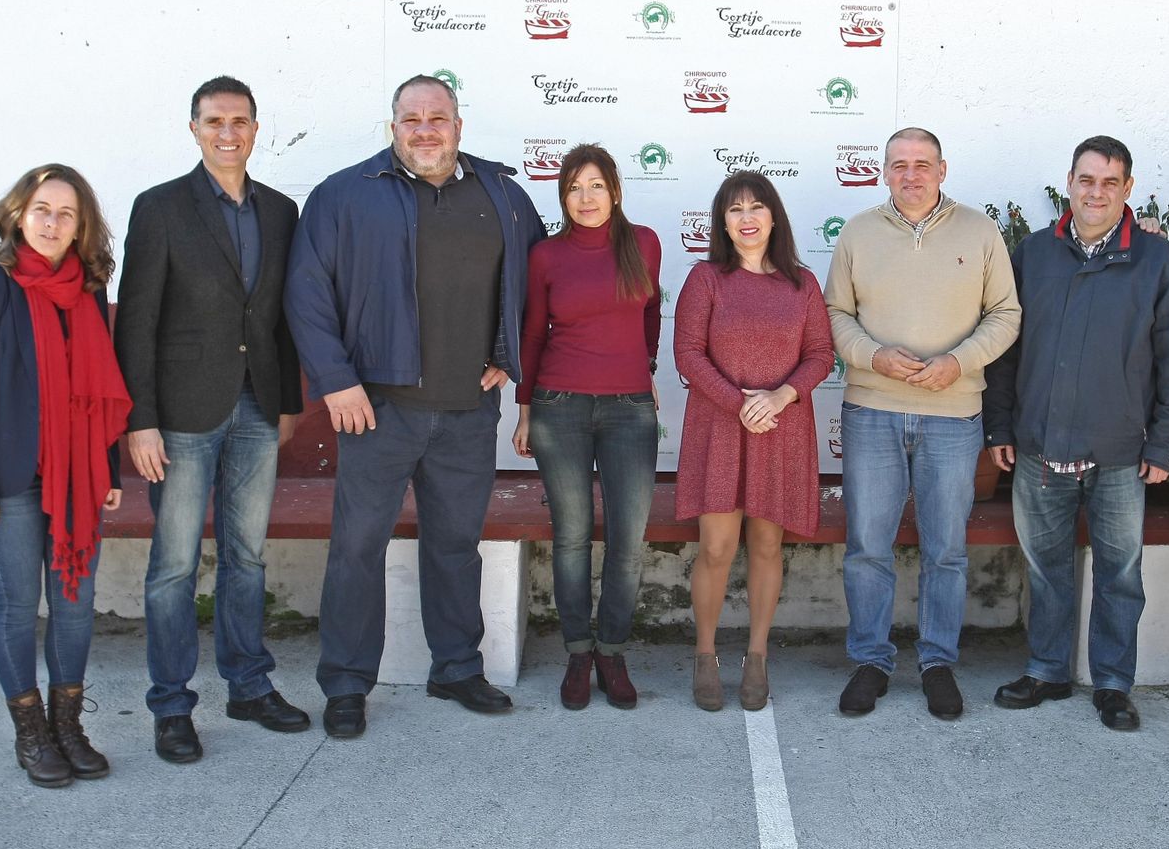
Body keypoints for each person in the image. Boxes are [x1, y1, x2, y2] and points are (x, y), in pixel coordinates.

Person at [286, 74, 546, 738]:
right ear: (391, 127)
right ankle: (345, 682)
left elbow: (537, 286)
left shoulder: (505, 197)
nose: (425, 130)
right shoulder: (345, 196)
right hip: (376, 408)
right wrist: (338, 381)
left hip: (467, 409)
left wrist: (506, 354)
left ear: (459, 125)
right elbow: (307, 292)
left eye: (438, 117)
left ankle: (456, 666)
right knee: (357, 548)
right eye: (411, 119)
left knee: (457, 546)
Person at [114, 76, 309, 764]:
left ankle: (249, 685)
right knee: (172, 566)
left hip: (258, 406)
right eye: (214, 120)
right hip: (179, 415)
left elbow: (282, 315)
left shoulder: (282, 211)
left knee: (246, 556)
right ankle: (172, 706)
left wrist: (287, 400)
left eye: (240, 120)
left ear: (258, 129)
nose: (228, 132)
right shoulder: (160, 207)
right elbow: (134, 321)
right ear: (194, 128)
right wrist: (139, 419)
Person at [985, 135, 1169, 731]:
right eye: (1086, 180)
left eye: (1110, 182)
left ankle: (1112, 683)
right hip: (1040, 446)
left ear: (1127, 189)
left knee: (1120, 572)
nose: (1096, 192)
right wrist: (999, 421)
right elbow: (1005, 348)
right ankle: (1048, 669)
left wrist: (1164, 442)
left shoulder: (1156, 259)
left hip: (1122, 452)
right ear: (1069, 182)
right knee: (1046, 567)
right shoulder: (1032, 255)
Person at [825, 128, 1021, 720]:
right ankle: (871, 660)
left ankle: (937, 662)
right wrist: (871, 356)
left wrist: (958, 362)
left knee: (946, 550)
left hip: (953, 415)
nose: (911, 175)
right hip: (872, 410)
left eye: (923, 164)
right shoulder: (858, 232)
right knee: (867, 547)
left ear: (942, 168)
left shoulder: (980, 231)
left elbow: (1006, 312)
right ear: (884, 171)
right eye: (899, 165)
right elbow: (835, 312)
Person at [0, 164, 130, 787]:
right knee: (20, 605)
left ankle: (69, 726)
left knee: (75, 606)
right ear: (18, 214)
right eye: (42, 209)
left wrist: (108, 468)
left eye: (66, 213)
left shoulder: (88, 291)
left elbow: (99, 389)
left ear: (82, 227)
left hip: (77, 473)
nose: (52, 223)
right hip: (8, 479)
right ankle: (31, 734)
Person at [675, 171, 834, 712]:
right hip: (720, 428)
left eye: (757, 207)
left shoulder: (802, 283)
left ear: (774, 217)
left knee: (767, 545)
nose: (747, 218)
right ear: (722, 221)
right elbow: (688, 355)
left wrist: (782, 396)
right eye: (735, 208)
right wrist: (739, 402)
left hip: (780, 429)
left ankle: (758, 655)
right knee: (717, 546)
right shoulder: (706, 279)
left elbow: (820, 354)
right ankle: (704, 655)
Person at [511, 144, 662, 711]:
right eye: (574, 187)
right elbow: (531, 333)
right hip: (560, 406)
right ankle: (578, 651)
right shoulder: (546, 255)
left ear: (615, 190)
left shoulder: (643, 243)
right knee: (572, 536)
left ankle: (612, 651)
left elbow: (650, 314)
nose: (586, 197)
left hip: (629, 410)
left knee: (627, 539)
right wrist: (525, 409)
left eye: (596, 185)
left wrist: (643, 369)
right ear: (562, 195)